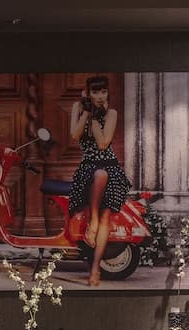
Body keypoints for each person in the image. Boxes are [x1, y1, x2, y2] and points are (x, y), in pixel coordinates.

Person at [68, 75, 131, 286]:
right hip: (87, 169)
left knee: (106, 214)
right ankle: (92, 220)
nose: (100, 96)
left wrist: (95, 117)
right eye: (95, 92)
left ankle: (95, 268)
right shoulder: (78, 108)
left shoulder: (111, 113)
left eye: (103, 91)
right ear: (87, 93)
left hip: (110, 167)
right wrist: (87, 112)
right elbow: (75, 135)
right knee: (99, 175)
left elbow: (103, 144)